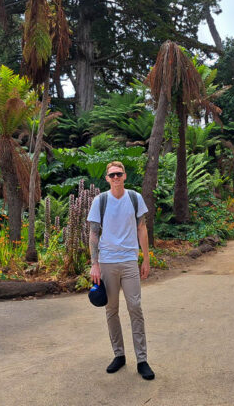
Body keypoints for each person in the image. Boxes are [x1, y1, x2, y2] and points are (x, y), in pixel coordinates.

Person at [87, 160, 154, 380]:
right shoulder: (101, 200)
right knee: (111, 310)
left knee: (135, 307)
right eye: (112, 175)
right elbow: (94, 233)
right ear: (107, 178)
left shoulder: (134, 198)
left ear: (125, 176)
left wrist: (145, 258)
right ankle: (119, 355)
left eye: (119, 174)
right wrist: (94, 263)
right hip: (107, 262)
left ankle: (142, 359)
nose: (116, 178)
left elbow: (142, 228)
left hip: (129, 260)